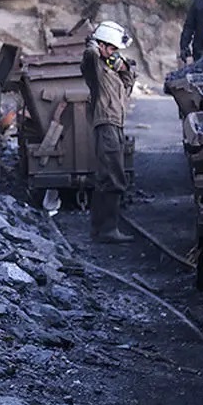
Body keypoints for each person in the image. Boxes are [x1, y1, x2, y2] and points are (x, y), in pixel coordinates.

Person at [80, 20, 137, 244]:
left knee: (106, 176)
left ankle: (99, 229)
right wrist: (96, 44)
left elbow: (127, 86)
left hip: (115, 124)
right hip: (106, 125)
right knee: (114, 177)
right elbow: (89, 55)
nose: (114, 54)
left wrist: (124, 67)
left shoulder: (111, 69)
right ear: (102, 46)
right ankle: (107, 230)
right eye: (112, 49)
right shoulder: (95, 66)